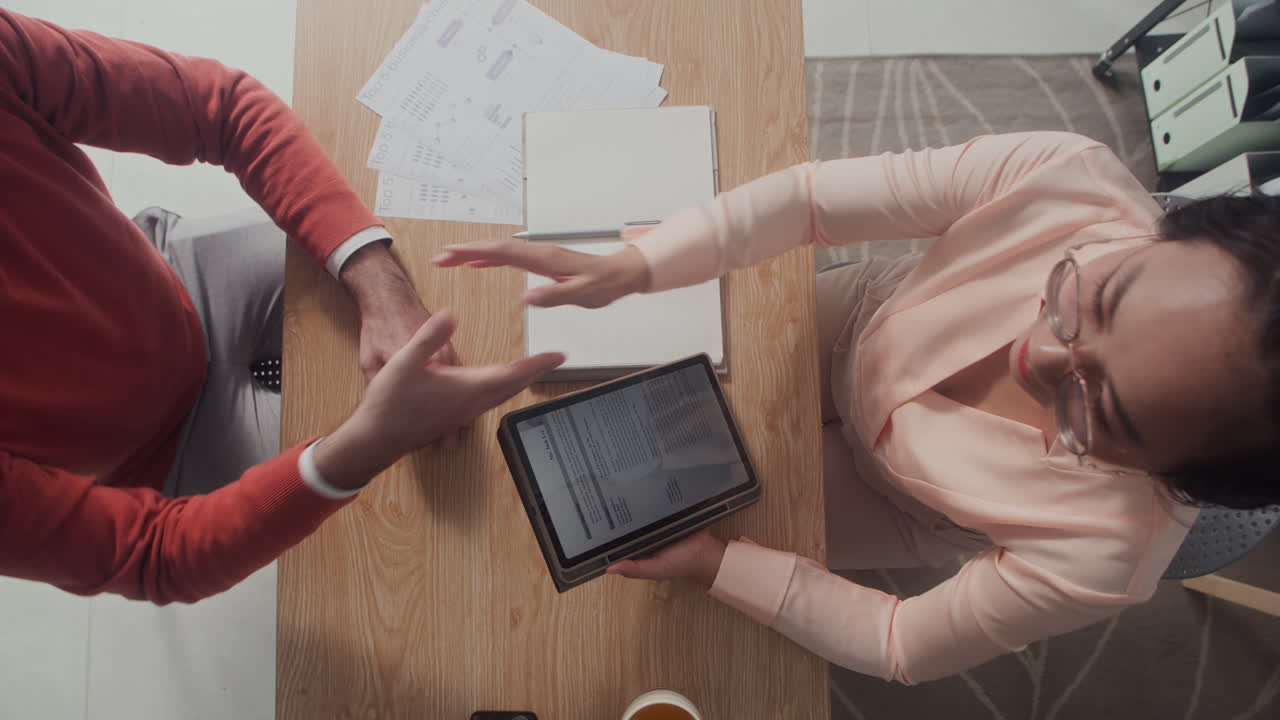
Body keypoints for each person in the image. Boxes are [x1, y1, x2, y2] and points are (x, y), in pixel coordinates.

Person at [434, 130, 1280, 684]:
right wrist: (643, 264)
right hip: (859, 322)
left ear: (1173, 476)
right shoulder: (1069, 180)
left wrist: (717, 566)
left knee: (692, 501)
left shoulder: (1109, 555)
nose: (1036, 355)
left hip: (903, 503)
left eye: (1100, 413)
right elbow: (811, 201)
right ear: (1170, 230)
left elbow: (899, 643)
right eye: (1099, 296)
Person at [0, 10, 563, 604]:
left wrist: (379, 283)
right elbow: (156, 557)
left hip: (183, 278)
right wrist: (370, 442)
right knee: (441, 536)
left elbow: (221, 106)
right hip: (164, 454)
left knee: (446, 276)